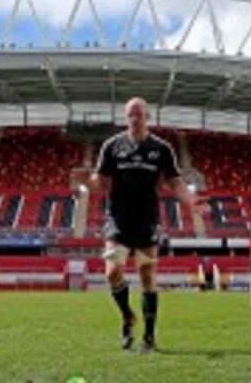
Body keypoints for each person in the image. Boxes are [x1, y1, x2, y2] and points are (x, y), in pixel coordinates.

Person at [74, 97, 205, 353]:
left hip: (147, 221)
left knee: (147, 277)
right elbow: (101, 182)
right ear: (126, 117)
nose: (134, 118)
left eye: (139, 113)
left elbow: (175, 181)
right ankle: (127, 316)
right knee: (112, 273)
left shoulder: (162, 148)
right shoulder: (112, 146)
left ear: (148, 117)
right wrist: (87, 181)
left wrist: (190, 200)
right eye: (130, 114)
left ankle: (149, 337)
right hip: (118, 221)